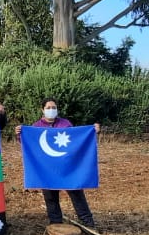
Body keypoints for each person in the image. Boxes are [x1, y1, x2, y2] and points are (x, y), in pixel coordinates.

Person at [15, 97, 99, 228]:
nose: (51, 110)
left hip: (67, 168)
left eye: (53, 107)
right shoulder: (36, 127)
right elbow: (29, 144)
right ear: (42, 110)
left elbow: (76, 141)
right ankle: (56, 226)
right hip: (46, 170)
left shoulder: (66, 124)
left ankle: (89, 224)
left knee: (77, 193)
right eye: (48, 108)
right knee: (50, 198)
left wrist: (92, 130)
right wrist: (20, 134)